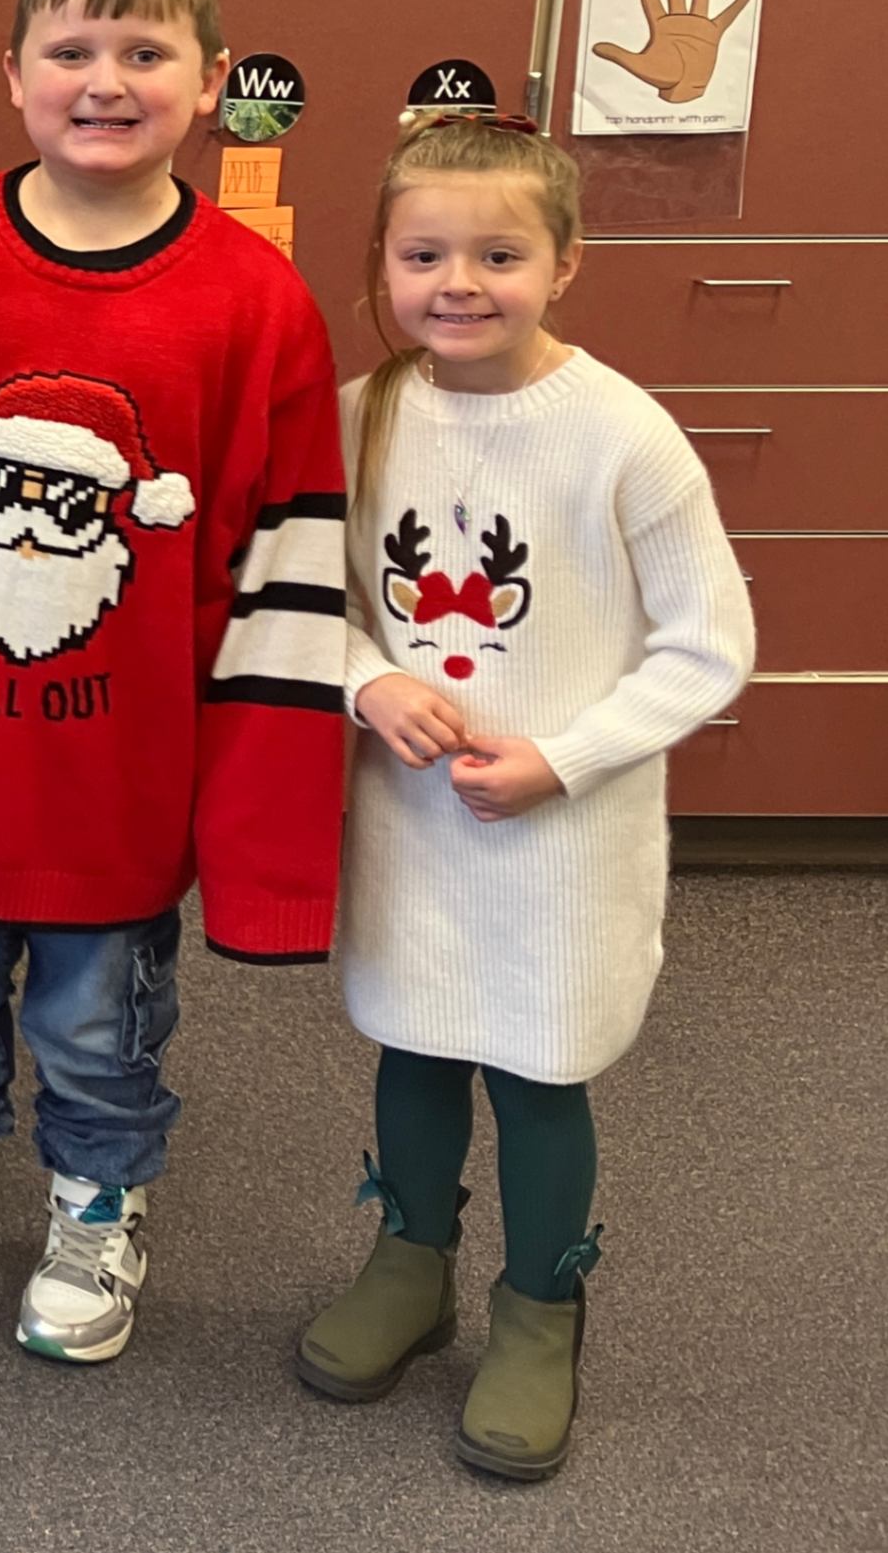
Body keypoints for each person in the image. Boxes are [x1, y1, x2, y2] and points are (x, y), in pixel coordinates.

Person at [0, 0, 349, 1365]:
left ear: (211, 80)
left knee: (101, 1032)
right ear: (11, 74)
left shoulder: (254, 301)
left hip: (121, 788)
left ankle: (97, 1203)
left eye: (143, 52)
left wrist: (259, 835)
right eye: (70, 51)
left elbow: (289, 581)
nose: (103, 81)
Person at [295, 115, 751, 1481]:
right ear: (377, 263)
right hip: (413, 821)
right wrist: (364, 679)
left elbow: (707, 640)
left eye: (498, 253)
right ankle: (409, 1259)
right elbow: (299, 601)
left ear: (564, 262)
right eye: (422, 252)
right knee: (416, 1037)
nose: (457, 282)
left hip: (559, 834)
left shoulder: (621, 434)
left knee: (538, 1063)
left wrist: (564, 757)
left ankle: (538, 1310)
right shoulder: (359, 416)